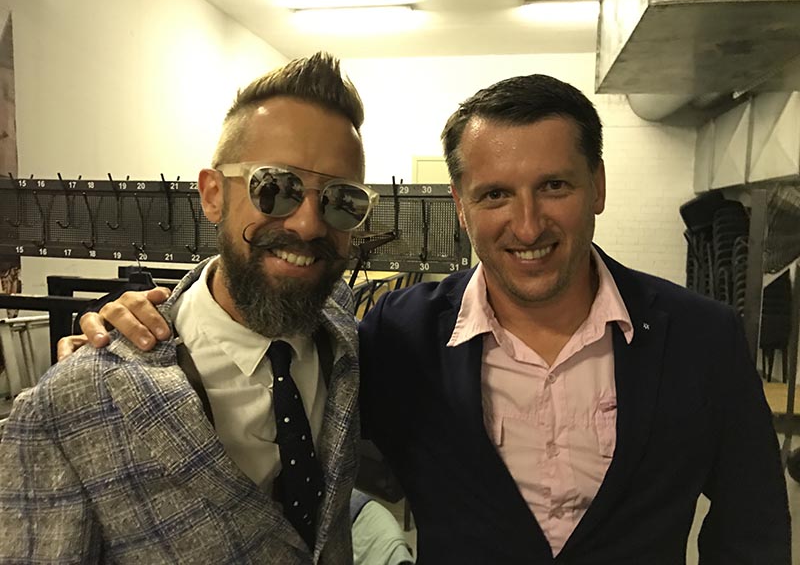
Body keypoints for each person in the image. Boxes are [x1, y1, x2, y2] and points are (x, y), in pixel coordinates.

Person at [62, 74, 791, 564]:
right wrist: (140, 325)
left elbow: (753, 532)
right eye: (495, 194)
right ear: (461, 207)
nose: (527, 224)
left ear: (597, 186)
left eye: (554, 186)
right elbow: (268, 335)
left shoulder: (703, 340)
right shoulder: (397, 339)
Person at [0, 53, 376, 564]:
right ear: (213, 195)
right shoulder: (74, 404)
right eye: (275, 188)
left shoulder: (340, 327)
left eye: (341, 200)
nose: (309, 225)